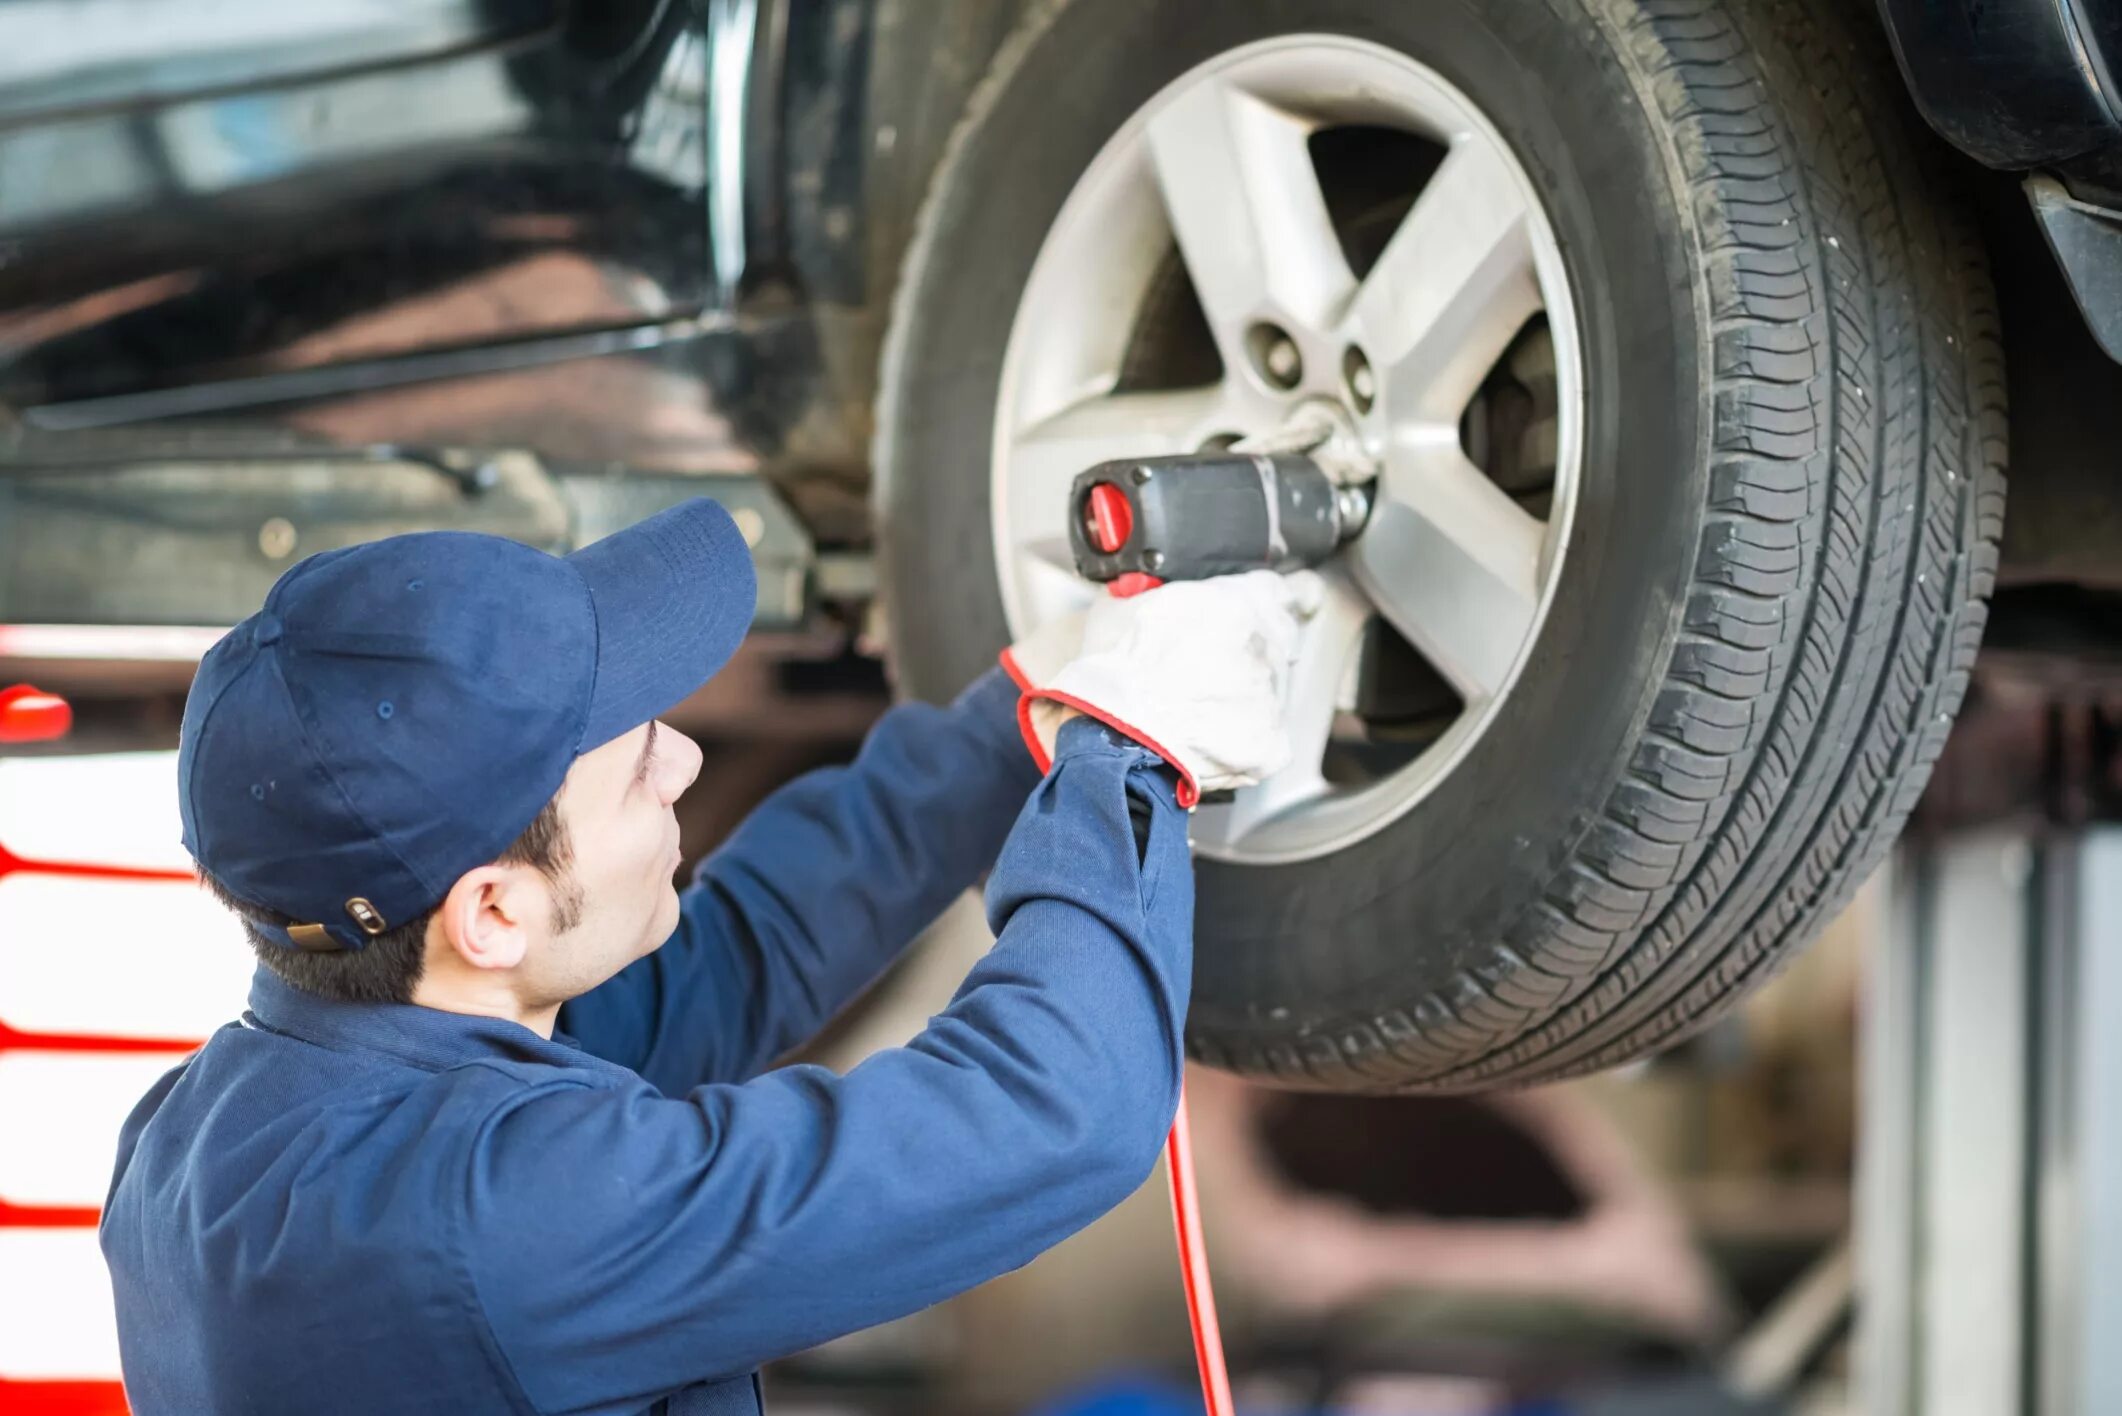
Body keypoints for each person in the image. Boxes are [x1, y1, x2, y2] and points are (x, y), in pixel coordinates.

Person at [98, 499, 1317, 1415]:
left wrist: (1022, 712)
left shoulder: (216, 1130)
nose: (683, 762)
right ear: (492, 916)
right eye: (635, 765)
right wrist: (1131, 760)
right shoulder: (494, 1221)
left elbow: (751, 948)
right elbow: (1056, 1107)